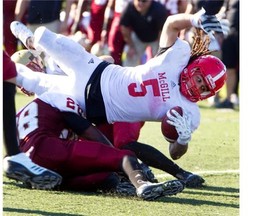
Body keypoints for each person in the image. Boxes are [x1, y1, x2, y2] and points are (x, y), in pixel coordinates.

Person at [10, 8, 227, 162]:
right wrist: (195, 20)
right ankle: (31, 43)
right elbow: (171, 23)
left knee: (35, 82)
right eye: (200, 79)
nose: (199, 87)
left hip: (93, 105)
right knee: (47, 39)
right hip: (96, 70)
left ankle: (12, 68)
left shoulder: (189, 112)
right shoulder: (177, 57)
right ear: (194, 68)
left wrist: (182, 140)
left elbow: (175, 152)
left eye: (205, 89)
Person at [11, 56, 184, 200]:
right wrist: (113, 156)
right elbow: (84, 129)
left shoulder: (24, 110)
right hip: (50, 148)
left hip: (30, 164)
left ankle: (114, 180)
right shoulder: (60, 94)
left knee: (105, 179)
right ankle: (143, 185)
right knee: (125, 156)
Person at [2, 50, 62, 190]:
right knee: (6, 68)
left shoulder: (54, 63)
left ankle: (14, 155)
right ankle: (14, 156)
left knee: (6, 67)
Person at [120, 0, 168, 66]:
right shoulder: (129, 7)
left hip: (157, 39)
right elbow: (124, 27)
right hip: (138, 36)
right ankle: (126, 75)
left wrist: (160, 48)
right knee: (129, 58)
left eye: (144, 1)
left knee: (161, 61)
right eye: (138, 0)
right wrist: (131, 46)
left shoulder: (159, 9)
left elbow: (163, 31)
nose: (140, 3)